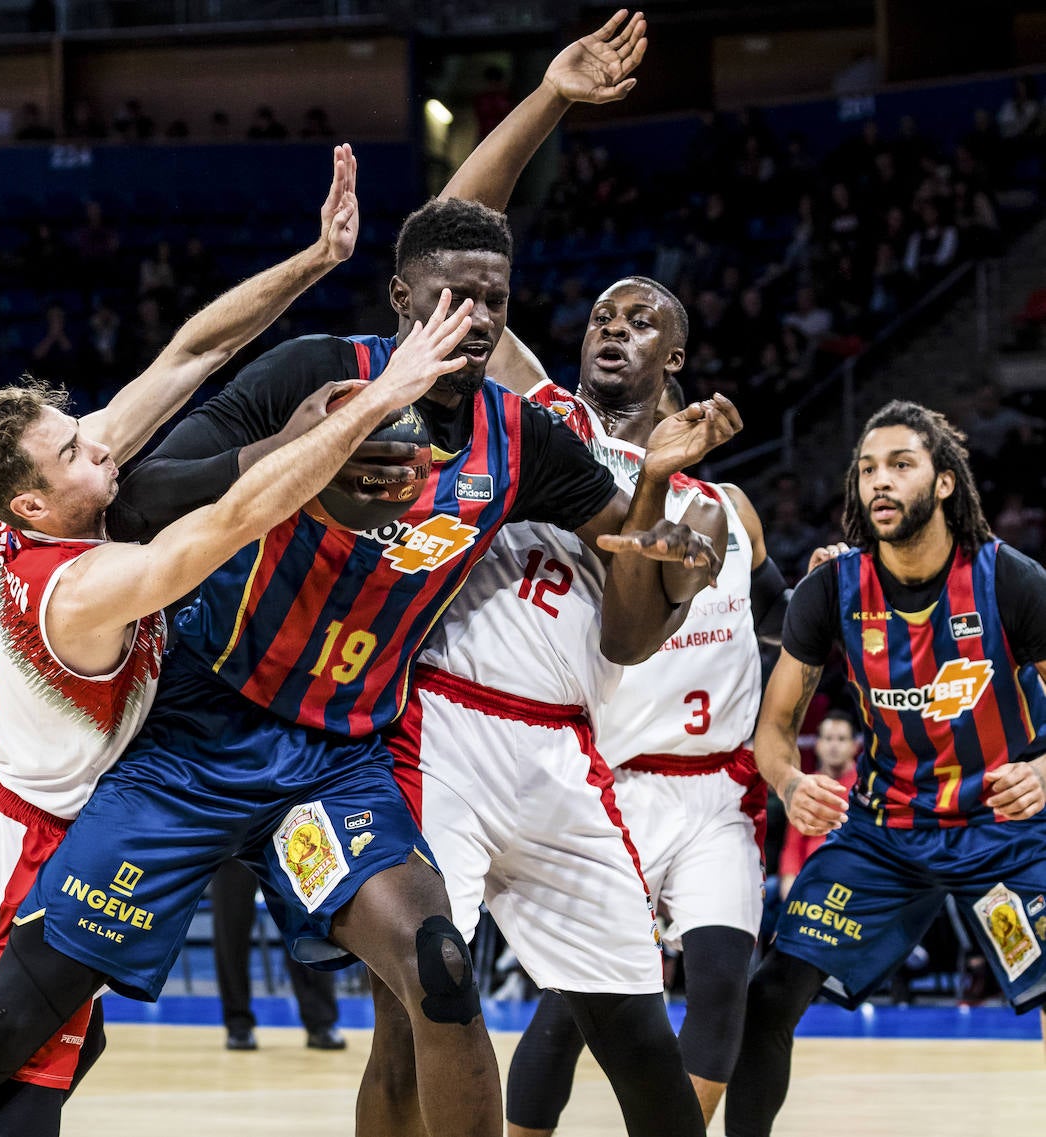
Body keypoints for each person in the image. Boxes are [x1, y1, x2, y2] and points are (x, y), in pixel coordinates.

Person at [0, 193, 735, 1137]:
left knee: (441, 972)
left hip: (334, 758)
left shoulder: (518, 437)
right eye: (453, 295)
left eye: (495, 299)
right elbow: (146, 502)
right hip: (199, 734)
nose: (478, 316)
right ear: (403, 300)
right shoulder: (319, 372)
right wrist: (304, 447)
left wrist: (663, 499)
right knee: (27, 1017)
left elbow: (625, 568)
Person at [0, 145, 375, 1122]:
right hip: (15, 842)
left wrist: (316, 259)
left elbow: (190, 354)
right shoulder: (76, 585)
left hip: (47, 817)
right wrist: (355, 419)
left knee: (60, 1058)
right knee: (8, 1080)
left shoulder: (47, 499)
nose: (102, 439)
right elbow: (217, 532)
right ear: (34, 500)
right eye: (77, 447)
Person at [425, 16, 773, 1130]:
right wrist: (551, 98)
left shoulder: (709, 510)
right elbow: (450, 238)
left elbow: (636, 628)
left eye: (643, 319)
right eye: (603, 313)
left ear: (677, 359)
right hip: (447, 723)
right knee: (426, 993)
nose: (612, 326)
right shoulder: (535, 409)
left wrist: (656, 485)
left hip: (574, 746)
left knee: (624, 1019)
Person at [724, 400, 1046, 1137]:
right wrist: (791, 781)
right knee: (770, 995)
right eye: (867, 468)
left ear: (942, 483)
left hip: (1007, 824)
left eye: (901, 464)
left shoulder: (1012, 581)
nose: (879, 481)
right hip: (885, 829)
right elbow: (774, 730)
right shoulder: (832, 590)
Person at [210, 858, 345, 1051]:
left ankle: (321, 1022)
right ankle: (237, 1024)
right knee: (230, 929)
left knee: (305, 921)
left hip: (283, 833)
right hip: (234, 838)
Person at [777, 709, 860, 900]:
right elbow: (792, 850)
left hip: (853, 885)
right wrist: (790, 902)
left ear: (855, 746)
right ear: (818, 744)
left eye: (841, 739)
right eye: (828, 738)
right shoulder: (805, 788)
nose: (834, 746)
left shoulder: (866, 788)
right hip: (809, 883)